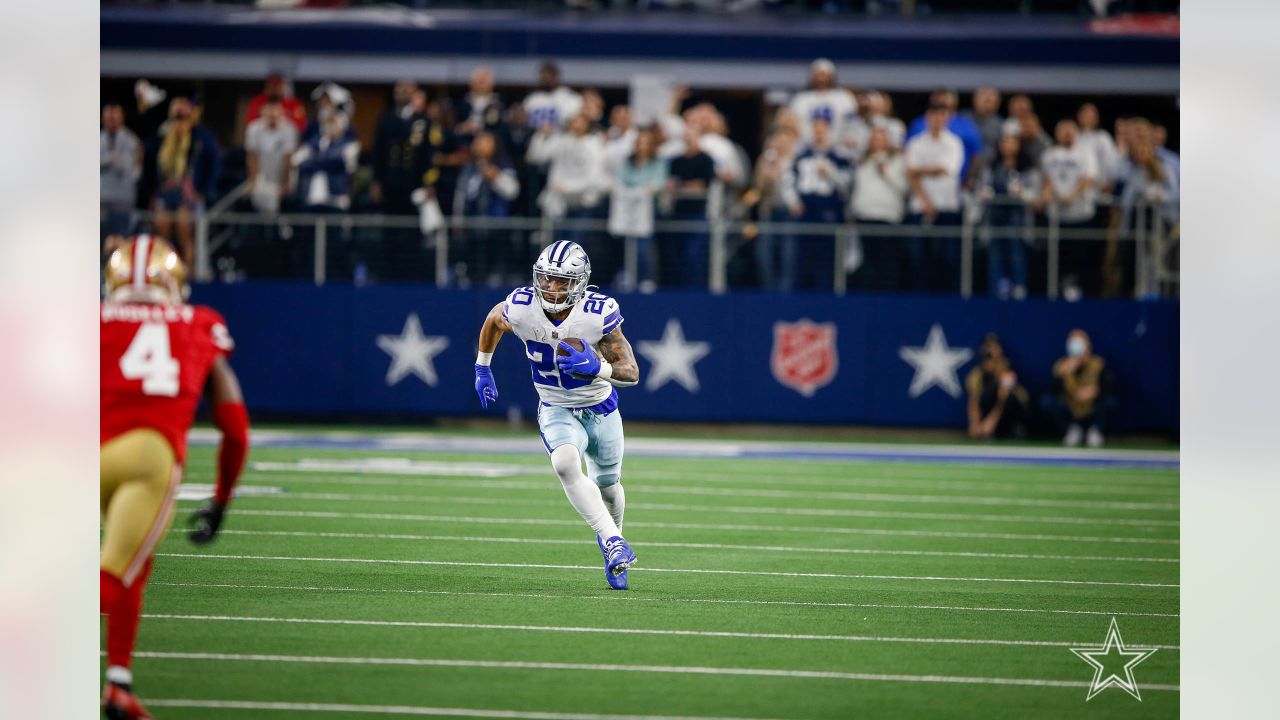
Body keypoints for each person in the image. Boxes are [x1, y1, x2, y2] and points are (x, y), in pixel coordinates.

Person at [100, 235, 249, 719]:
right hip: (148, 454)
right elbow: (235, 427)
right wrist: (222, 500)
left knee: (130, 562)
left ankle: (118, 682)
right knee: (116, 571)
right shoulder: (198, 323)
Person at [473, 241, 640, 589]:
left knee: (608, 485)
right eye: (547, 278)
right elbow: (493, 319)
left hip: (601, 407)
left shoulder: (597, 313)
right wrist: (482, 366)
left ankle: (614, 544)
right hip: (555, 405)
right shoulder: (522, 306)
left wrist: (598, 367)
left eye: (562, 280)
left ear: (579, 282)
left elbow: (631, 372)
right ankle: (613, 542)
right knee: (565, 464)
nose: (552, 287)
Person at [143, 97, 222, 265]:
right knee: (161, 226)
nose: (179, 121)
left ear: (190, 117)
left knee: (183, 226)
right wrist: (152, 191)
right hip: (165, 192)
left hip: (188, 195)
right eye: (176, 117)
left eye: (183, 117)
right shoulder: (162, 136)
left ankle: (189, 275)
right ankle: (163, 271)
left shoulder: (200, 137)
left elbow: (214, 164)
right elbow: (149, 165)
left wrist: (202, 192)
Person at [781, 117, 853, 291]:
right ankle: (801, 295)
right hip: (806, 209)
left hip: (828, 209)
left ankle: (826, 293)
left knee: (826, 257)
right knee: (801, 257)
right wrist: (793, 202)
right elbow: (788, 181)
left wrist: (830, 173)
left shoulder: (839, 157)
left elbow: (848, 185)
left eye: (822, 129)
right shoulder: (802, 155)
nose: (818, 132)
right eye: (815, 128)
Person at [1036, 119, 1100, 299]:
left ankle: (1079, 289)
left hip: (1081, 215)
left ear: (1076, 132)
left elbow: (1088, 179)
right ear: (1056, 134)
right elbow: (1046, 179)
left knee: (1080, 257)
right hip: (1057, 216)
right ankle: (1055, 290)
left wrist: (1071, 196)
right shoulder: (1050, 154)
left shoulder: (1085, 153)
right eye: (1062, 130)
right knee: (1056, 257)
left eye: (1070, 130)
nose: (1067, 134)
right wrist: (1049, 194)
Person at [904, 102, 964, 293]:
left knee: (948, 257)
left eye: (942, 115)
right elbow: (910, 174)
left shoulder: (954, 142)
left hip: (947, 207)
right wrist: (926, 201)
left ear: (947, 118)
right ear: (927, 118)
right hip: (920, 207)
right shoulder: (916, 143)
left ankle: (948, 299)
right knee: (918, 257)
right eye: (934, 115)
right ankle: (919, 299)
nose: (937, 119)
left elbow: (947, 169)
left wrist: (921, 170)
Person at [453, 131, 521, 286]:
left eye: (484, 141)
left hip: (496, 228)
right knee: (473, 271)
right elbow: (461, 196)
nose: (479, 145)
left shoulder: (503, 165)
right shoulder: (469, 168)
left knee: (495, 274)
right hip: (473, 228)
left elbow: (512, 191)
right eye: (477, 141)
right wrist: (458, 220)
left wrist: (496, 177)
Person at [979, 133, 1036, 300]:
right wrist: (985, 192)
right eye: (1005, 141)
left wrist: (1023, 193)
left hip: (1017, 216)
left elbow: (1035, 191)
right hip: (996, 215)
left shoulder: (1026, 167)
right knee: (996, 253)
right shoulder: (992, 167)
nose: (1009, 145)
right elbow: (983, 186)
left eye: (1012, 142)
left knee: (1016, 251)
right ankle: (999, 285)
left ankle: (1019, 285)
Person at [610, 125, 666, 292]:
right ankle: (625, 275)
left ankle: (646, 278)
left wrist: (641, 190)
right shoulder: (627, 163)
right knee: (624, 244)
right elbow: (619, 181)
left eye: (645, 142)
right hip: (626, 210)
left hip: (649, 212)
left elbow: (657, 183)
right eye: (639, 142)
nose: (641, 145)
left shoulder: (657, 163)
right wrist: (632, 190)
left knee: (643, 247)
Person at [851, 126, 908, 291]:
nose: (878, 141)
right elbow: (858, 188)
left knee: (887, 261)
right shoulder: (863, 161)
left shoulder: (898, 160)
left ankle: (887, 298)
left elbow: (905, 189)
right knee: (868, 261)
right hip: (865, 216)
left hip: (888, 217)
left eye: (881, 138)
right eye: (874, 138)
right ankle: (869, 298)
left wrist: (887, 173)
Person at [664, 127, 717, 288]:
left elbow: (701, 186)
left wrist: (681, 186)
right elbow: (670, 184)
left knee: (693, 255)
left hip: (698, 214)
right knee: (677, 255)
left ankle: (695, 289)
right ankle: (679, 288)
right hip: (678, 213)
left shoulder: (706, 160)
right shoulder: (676, 161)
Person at [1043, 329, 1112, 448]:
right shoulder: (1061, 366)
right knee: (1048, 402)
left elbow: (1108, 387)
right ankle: (1073, 430)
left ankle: (1095, 430)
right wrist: (1062, 376)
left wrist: (1095, 391)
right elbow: (1052, 391)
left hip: (1092, 406)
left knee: (1109, 402)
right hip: (1071, 406)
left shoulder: (1097, 364)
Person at [965, 334, 1030, 440]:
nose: (991, 351)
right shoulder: (977, 374)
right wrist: (975, 424)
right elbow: (973, 400)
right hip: (989, 415)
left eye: (994, 347)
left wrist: (990, 423)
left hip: (1008, 414)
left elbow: (1003, 400)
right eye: (988, 347)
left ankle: (1014, 430)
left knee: (1010, 399)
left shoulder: (1006, 369)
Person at [244, 98, 298, 215]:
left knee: (282, 207)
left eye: (276, 110)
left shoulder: (289, 129)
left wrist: (285, 183)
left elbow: (288, 158)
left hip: (281, 176)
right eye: (270, 110)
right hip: (262, 176)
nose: (273, 114)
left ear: (282, 111)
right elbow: (252, 156)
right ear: (263, 111)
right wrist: (252, 181)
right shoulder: (254, 128)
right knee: (260, 206)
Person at [788, 58, 858, 147]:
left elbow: (851, 124)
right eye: (817, 74)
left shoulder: (844, 98)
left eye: (824, 74)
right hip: (805, 147)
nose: (820, 78)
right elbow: (792, 126)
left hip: (838, 147)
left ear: (832, 76)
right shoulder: (800, 99)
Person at [101, 102, 142, 238]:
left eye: (115, 118)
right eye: (108, 118)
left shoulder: (132, 141)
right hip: (100, 201)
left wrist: (109, 161)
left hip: (123, 202)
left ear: (121, 119)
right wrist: (110, 158)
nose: (112, 122)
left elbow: (131, 168)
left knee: (120, 242)